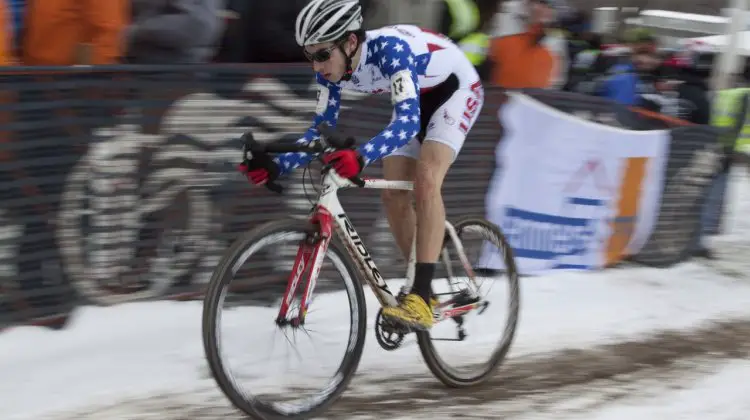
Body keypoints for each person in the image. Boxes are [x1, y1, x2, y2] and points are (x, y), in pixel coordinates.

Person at [238, 0, 484, 330]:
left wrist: (361, 156)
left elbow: (408, 123)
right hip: (417, 95)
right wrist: (278, 165)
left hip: (454, 90)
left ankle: (422, 297)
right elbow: (318, 134)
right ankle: (423, 290)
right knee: (393, 196)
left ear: (350, 41)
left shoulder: (390, 51)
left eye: (322, 55)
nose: (316, 66)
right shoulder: (332, 69)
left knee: (426, 180)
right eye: (310, 56)